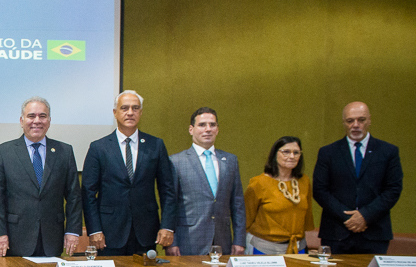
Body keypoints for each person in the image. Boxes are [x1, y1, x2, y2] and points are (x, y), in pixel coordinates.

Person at [81, 90, 177, 255]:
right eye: (124, 108)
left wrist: (167, 226)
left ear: (140, 112)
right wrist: (94, 229)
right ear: (115, 113)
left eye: (135, 108)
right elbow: (88, 193)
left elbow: (168, 190)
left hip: (146, 233)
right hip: (109, 233)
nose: (130, 112)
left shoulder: (156, 145)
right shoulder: (99, 147)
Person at [0, 96, 82, 257]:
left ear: (49, 121)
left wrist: (72, 231)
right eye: (31, 116)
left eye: (42, 116)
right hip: (15, 239)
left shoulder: (64, 151)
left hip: (52, 238)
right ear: (22, 120)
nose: (37, 121)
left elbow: (74, 196)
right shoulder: (4, 152)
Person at [313, 101, 403, 255]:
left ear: (369, 121)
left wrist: (365, 216)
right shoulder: (328, 152)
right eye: (350, 121)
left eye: (361, 120)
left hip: (374, 232)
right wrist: (348, 218)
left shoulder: (388, 152)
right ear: (344, 123)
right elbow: (320, 190)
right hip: (337, 232)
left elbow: (393, 189)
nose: (355, 125)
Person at [167, 108, 246, 256]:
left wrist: (240, 239)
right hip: (188, 241)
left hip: (223, 241)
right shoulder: (176, 161)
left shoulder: (230, 161)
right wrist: (172, 241)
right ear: (191, 129)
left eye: (212, 125)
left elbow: (238, 203)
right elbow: (170, 205)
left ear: (217, 130)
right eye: (202, 125)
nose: (208, 129)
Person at [244, 136, 314, 255]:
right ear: (275, 155)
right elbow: (246, 218)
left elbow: (307, 218)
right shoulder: (259, 183)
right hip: (264, 248)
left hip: (297, 247)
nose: (291, 156)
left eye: (296, 153)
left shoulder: (304, 181)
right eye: (286, 152)